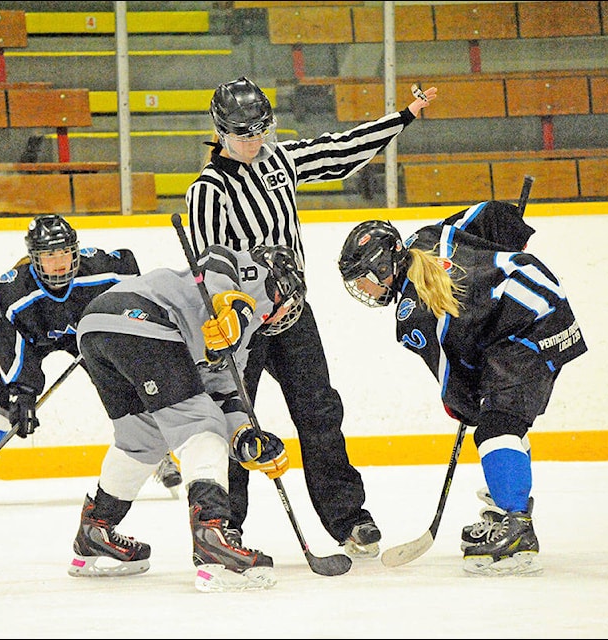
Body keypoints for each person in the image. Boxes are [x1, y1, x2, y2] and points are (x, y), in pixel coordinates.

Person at [185, 76, 438, 558]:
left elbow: (340, 151)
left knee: (320, 411)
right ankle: (225, 526)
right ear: (221, 131)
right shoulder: (208, 191)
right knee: (236, 422)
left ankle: (348, 517)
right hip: (242, 326)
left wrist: (402, 118)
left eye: (262, 130)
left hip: (295, 315)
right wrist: (238, 309)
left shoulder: (278, 160)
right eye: (245, 134)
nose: (256, 142)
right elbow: (209, 265)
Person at [337, 200, 588, 575]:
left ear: (382, 265)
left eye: (364, 279)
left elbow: (455, 378)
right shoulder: (425, 238)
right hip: (540, 301)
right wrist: (510, 232)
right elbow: (487, 216)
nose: (364, 289)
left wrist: (465, 405)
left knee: (494, 427)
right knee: (504, 420)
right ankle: (509, 505)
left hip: (526, 325)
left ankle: (517, 524)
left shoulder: (412, 315)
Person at [69, 244, 305, 592]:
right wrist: (235, 311)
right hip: (141, 317)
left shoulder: (245, 338)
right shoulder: (258, 279)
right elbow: (216, 256)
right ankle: (212, 541)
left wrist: (245, 438)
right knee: (201, 424)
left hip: (97, 328)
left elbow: (224, 392)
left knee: (143, 439)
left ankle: (95, 532)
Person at [0, 214, 160, 503]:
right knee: (3, 393)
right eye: (50, 254)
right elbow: (10, 348)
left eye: (65, 252)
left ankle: (156, 453)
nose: (60, 261)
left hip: (87, 334)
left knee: (128, 384)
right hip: (35, 339)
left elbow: (132, 273)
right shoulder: (12, 290)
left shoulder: (100, 270)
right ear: (34, 258)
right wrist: (23, 393)